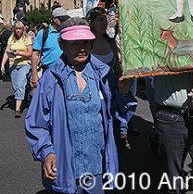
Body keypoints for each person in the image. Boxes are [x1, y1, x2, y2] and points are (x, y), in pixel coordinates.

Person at [25, 17, 131, 193]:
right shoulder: (51, 79)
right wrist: (47, 152)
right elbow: (36, 124)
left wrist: (124, 93)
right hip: (65, 166)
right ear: (62, 45)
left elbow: (119, 115)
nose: (81, 48)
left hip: (97, 166)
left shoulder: (104, 75)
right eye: (74, 43)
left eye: (85, 42)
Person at [86, 7, 137, 147]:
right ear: (91, 23)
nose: (104, 23)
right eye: (100, 20)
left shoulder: (110, 42)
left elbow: (116, 66)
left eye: (105, 19)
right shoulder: (86, 44)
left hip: (110, 87)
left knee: (109, 120)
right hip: (91, 89)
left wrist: (123, 82)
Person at [31, 7, 70, 91]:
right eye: (63, 20)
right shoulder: (43, 33)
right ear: (55, 19)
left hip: (66, 70)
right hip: (49, 72)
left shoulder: (67, 32)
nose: (65, 22)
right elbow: (35, 53)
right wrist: (34, 74)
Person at [1, 21, 32, 117]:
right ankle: (23, 97)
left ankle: (17, 108)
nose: (18, 30)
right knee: (15, 86)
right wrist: (2, 64)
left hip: (24, 64)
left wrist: (20, 53)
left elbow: (30, 53)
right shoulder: (12, 38)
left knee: (20, 84)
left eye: (20, 29)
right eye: (16, 29)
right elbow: (7, 51)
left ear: (23, 30)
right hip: (13, 64)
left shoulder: (27, 38)